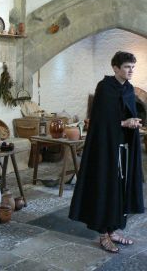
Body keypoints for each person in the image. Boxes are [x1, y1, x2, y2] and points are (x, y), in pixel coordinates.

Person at [69, 51, 145, 253]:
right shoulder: (104, 88)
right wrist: (123, 122)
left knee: (120, 188)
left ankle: (113, 231)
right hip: (105, 148)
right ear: (115, 68)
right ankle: (103, 234)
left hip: (124, 148)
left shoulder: (129, 89)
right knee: (106, 187)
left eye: (132, 67)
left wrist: (134, 122)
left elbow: (129, 112)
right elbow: (99, 122)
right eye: (127, 67)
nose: (130, 71)